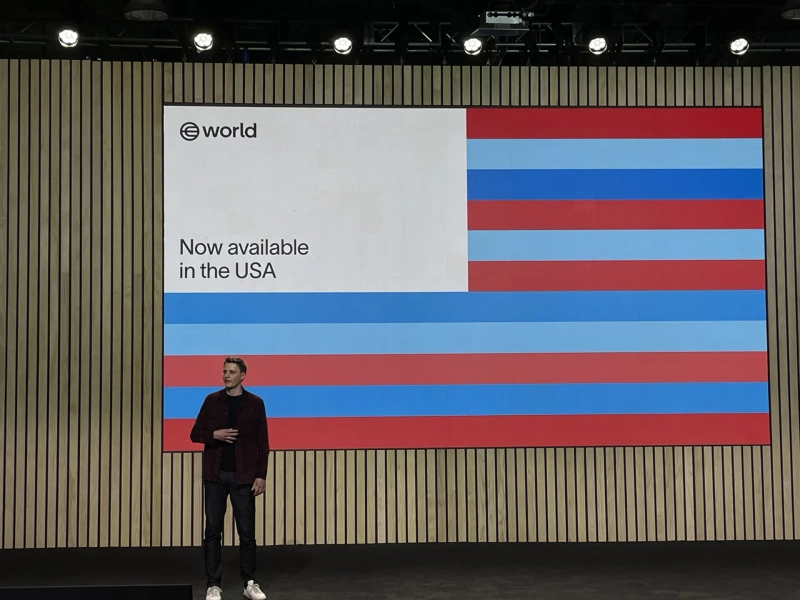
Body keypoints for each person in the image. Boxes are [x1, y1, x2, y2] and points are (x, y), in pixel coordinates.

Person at [190, 356, 269, 600]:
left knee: (247, 532)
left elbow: (263, 443)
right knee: (213, 531)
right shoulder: (211, 401)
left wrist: (261, 475)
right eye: (224, 371)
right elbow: (195, 434)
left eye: (232, 372)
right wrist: (214, 435)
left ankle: (250, 582)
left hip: (244, 476)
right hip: (215, 475)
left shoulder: (255, 404)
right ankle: (213, 585)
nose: (226, 375)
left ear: (243, 375)